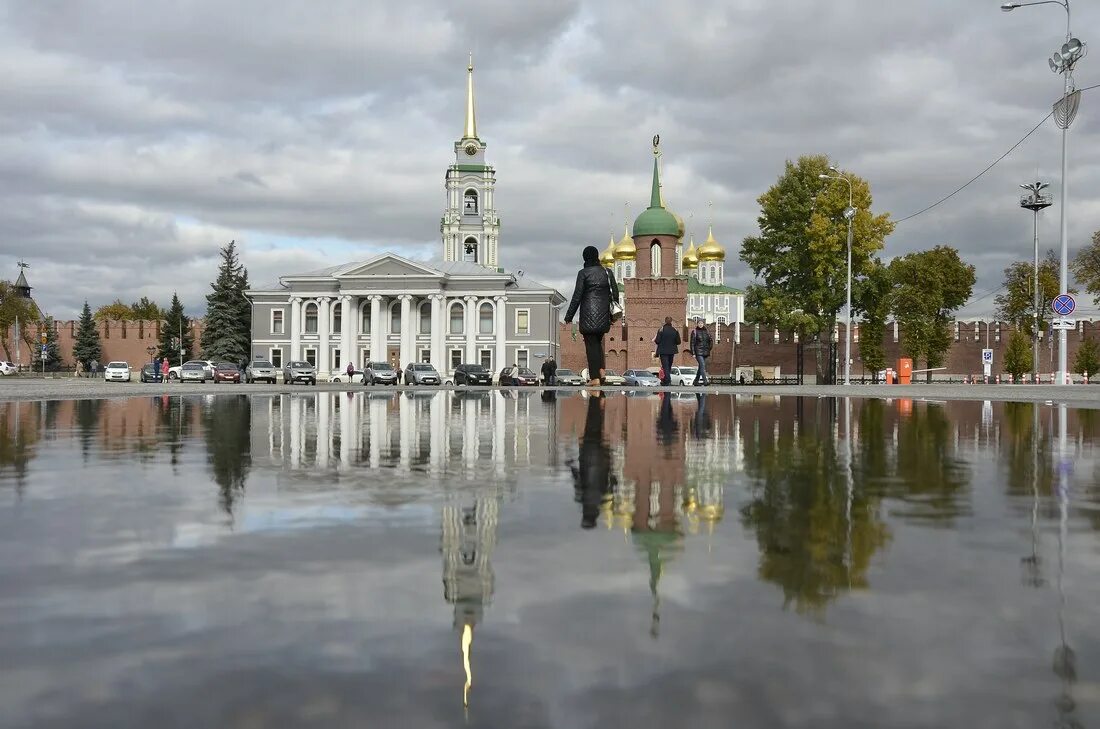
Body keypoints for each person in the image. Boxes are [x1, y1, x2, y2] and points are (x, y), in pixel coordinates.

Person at [564, 245, 619, 387]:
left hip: (588, 315)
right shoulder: (607, 272)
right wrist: (613, 315)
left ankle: (594, 378)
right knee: (598, 343)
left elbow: (577, 296)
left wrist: (569, 316)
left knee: (591, 346)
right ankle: (601, 371)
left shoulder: (583, 273)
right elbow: (615, 293)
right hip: (603, 315)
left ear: (585, 258)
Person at [653, 317, 681, 386]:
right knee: (669, 365)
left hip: (663, 351)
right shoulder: (675, 330)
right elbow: (678, 342)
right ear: (671, 321)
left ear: (665, 321)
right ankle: (666, 380)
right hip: (672, 351)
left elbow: (657, 341)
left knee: (665, 366)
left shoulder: (661, 329)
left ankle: (668, 379)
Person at [689, 317, 712, 386]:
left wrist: (709, 348)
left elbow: (710, 341)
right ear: (697, 324)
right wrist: (693, 353)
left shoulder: (707, 331)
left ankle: (696, 381)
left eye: (701, 323)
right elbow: (692, 343)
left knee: (700, 367)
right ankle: (705, 381)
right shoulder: (694, 332)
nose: (700, 324)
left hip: (705, 352)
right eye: (699, 323)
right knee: (702, 365)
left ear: (703, 324)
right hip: (698, 352)